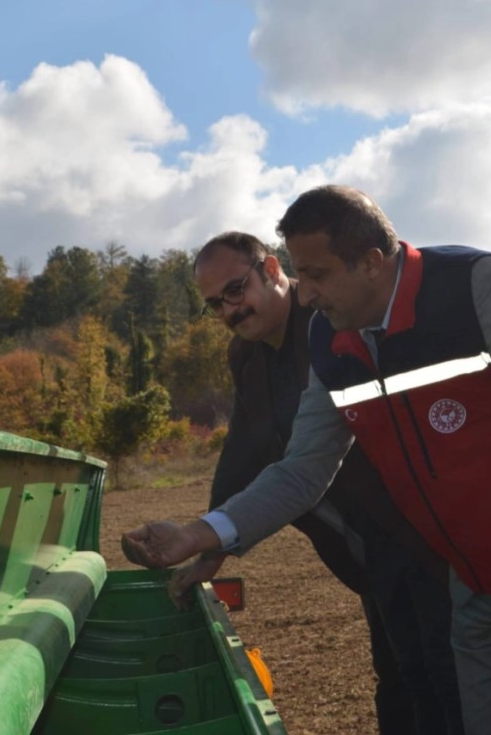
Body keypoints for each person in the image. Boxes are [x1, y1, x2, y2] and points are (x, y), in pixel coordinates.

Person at [124, 186, 491, 735]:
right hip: (470, 586)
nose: (305, 294)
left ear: (372, 263)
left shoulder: (475, 287)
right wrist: (199, 535)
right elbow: (302, 470)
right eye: (299, 274)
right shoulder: (327, 339)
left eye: (317, 275)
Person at [187, 230, 464, 735]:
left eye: (234, 290)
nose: (229, 310)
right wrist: (212, 538)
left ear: (272, 270)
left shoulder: (329, 324)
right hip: (361, 546)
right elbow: (245, 444)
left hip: (417, 531)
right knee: (400, 675)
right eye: (214, 304)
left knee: (443, 677)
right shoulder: (245, 355)